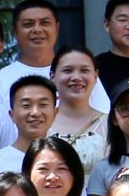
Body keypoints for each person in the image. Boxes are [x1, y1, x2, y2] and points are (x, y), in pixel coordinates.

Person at [0, 0, 110, 114]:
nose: (37, 29)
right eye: (28, 24)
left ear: (57, 28)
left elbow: (103, 120)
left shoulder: (82, 76)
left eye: (44, 23)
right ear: (15, 32)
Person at [0, 75, 58, 196]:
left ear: (55, 112)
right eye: (26, 105)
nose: (35, 112)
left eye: (43, 104)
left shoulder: (65, 159)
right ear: (11, 114)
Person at [47, 46, 110, 182]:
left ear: (95, 76)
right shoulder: (41, 123)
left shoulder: (110, 124)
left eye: (84, 70)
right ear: (52, 76)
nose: (76, 77)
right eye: (67, 70)